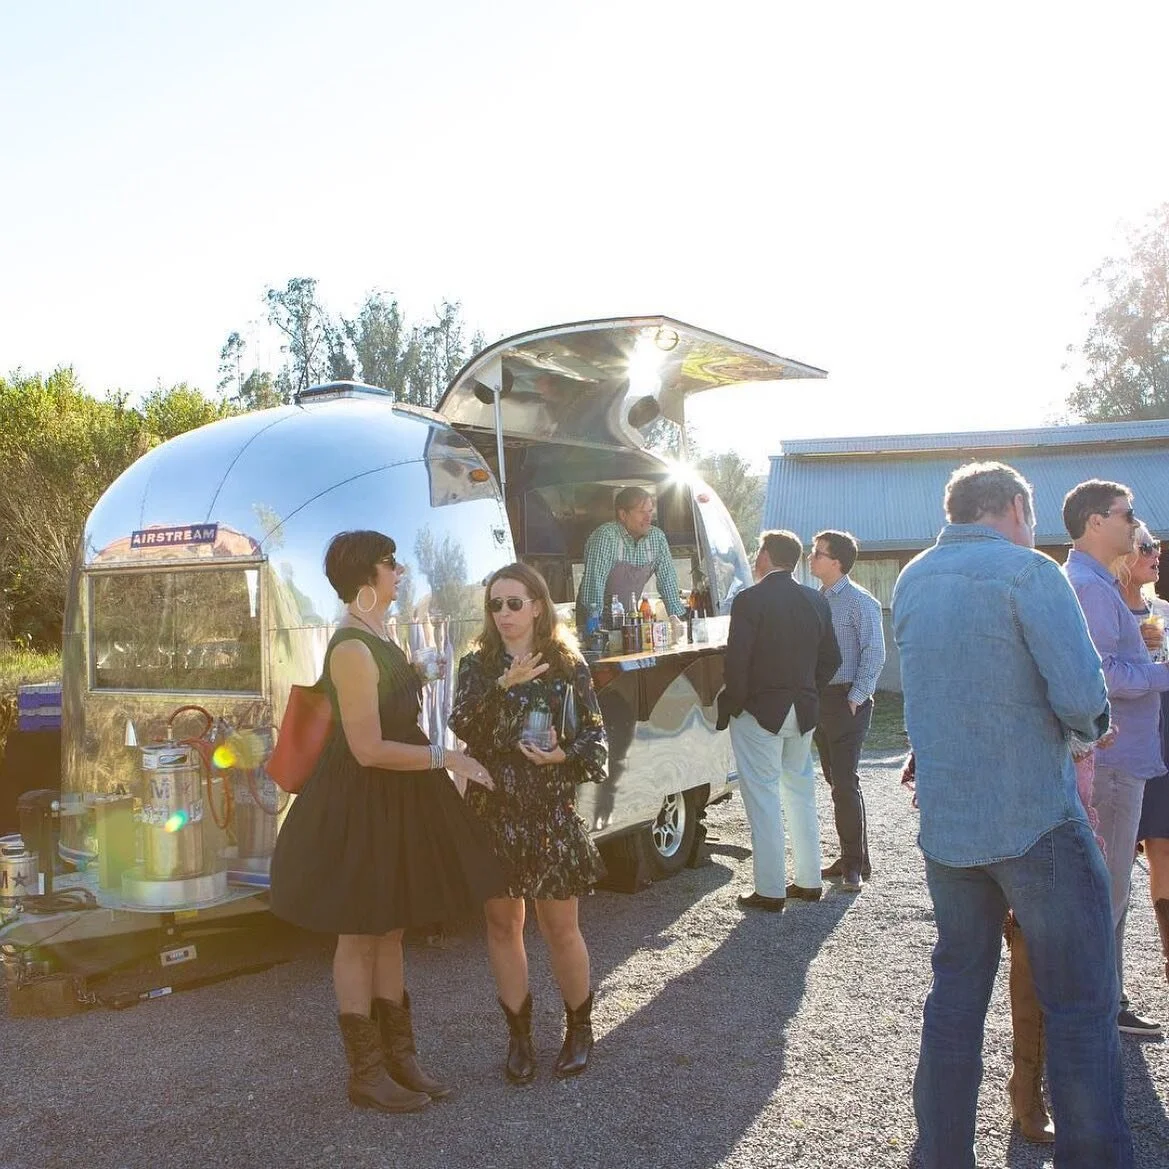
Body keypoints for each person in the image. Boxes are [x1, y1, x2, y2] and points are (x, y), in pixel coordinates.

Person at [892, 461, 1131, 1169]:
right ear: (1015, 508)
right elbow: (1081, 697)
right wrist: (1089, 729)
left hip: (949, 827)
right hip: (1036, 820)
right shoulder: (1029, 574)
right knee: (1080, 1006)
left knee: (955, 1000)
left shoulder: (911, 578)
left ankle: (939, 1157)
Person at [269, 530, 504, 1113]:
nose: (398, 573)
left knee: (391, 926)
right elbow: (368, 748)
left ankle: (401, 1060)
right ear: (365, 576)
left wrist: (418, 678)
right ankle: (366, 1074)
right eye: (389, 564)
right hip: (363, 804)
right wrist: (445, 756)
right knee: (359, 932)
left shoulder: (378, 632)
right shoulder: (351, 646)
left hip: (393, 801)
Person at [449, 562, 609, 1082]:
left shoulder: (568, 664)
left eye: (514, 603)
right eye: (495, 604)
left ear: (538, 605)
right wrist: (502, 685)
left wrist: (560, 757)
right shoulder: (477, 665)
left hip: (549, 813)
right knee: (502, 925)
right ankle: (519, 1038)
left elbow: (596, 744)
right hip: (494, 814)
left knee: (559, 927)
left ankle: (579, 1029)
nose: (504, 615)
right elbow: (464, 726)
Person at [1062, 480, 1169, 1037]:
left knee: (1113, 886)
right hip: (1112, 757)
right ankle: (1099, 1004)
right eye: (1128, 515)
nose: (1137, 525)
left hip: (1124, 755)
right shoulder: (1090, 588)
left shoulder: (1095, 583)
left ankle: (1104, 997)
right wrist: (1163, 672)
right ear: (1096, 521)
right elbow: (1099, 676)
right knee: (1108, 887)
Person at [716, 530, 841, 911]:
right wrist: (808, 690)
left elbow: (737, 662)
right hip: (802, 710)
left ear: (767, 556)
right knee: (801, 794)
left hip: (760, 711)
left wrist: (734, 705)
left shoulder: (749, 600)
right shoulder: (815, 600)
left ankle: (770, 890)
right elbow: (831, 658)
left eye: (758, 553)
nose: (755, 559)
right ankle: (809, 879)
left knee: (764, 798)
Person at [807, 529, 886, 891]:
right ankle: (854, 857)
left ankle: (853, 865)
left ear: (836, 561)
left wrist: (857, 695)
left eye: (818, 553)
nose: (812, 557)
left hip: (846, 701)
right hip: (820, 699)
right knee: (835, 779)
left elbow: (874, 652)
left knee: (844, 782)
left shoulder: (860, 602)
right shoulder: (816, 599)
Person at [1113, 523, 1169, 986]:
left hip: (1163, 738)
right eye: (1146, 546)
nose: (1157, 553)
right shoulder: (1105, 608)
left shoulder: (1164, 610)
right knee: (1117, 863)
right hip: (1123, 744)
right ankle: (1110, 983)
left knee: (1164, 846)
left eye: (1156, 546)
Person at [575, 485, 685, 629]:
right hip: (593, 617)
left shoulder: (657, 538)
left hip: (627, 616)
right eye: (641, 512)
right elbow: (595, 584)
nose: (648, 518)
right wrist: (595, 628)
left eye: (650, 511)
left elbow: (668, 581)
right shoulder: (606, 537)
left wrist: (676, 618)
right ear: (623, 514)